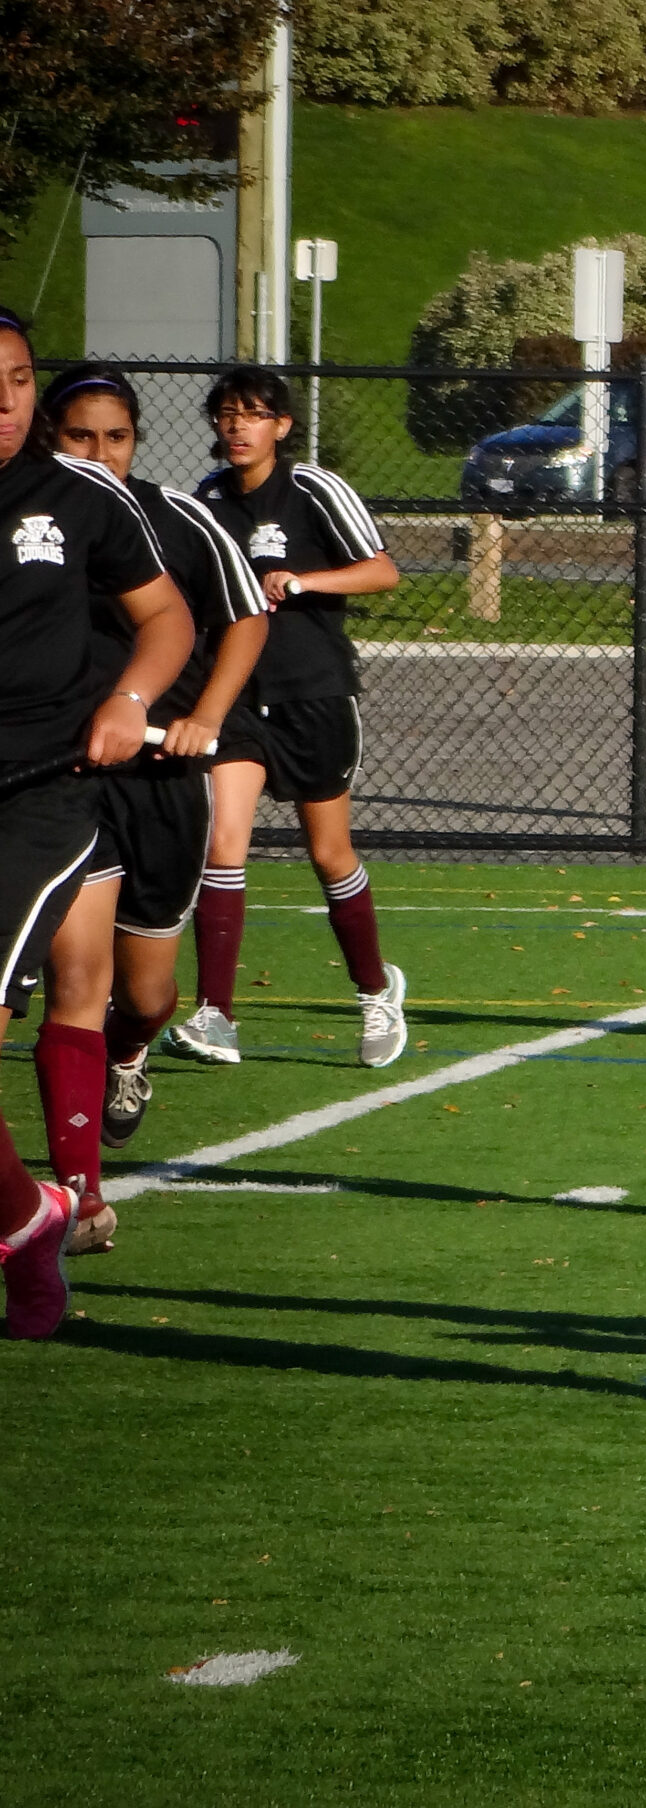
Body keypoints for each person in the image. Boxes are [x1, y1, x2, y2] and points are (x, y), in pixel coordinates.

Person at [34, 367, 267, 1252]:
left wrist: (203, 717)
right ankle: (80, 1199)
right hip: (63, 782)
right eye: (80, 437)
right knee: (76, 983)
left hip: (164, 782)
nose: (98, 455)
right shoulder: (30, 521)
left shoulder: (175, 519)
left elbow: (243, 617)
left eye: (116, 438)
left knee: (147, 995)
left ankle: (131, 1057)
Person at [0, 310, 192, 1337]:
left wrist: (131, 702)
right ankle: (30, 1215)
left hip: (40, 796)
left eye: (21, 380)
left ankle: (57, 1195)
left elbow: (170, 618)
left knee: (102, 990)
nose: (5, 402)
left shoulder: (80, 501)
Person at [168, 365, 406, 1071]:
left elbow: (383, 570)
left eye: (253, 414)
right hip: (237, 698)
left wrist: (304, 581)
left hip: (314, 695)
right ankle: (217, 1014)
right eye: (227, 414)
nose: (237, 426)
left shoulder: (312, 489)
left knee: (329, 855)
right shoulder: (206, 500)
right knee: (223, 844)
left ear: (282, 425)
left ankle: (374, 990)